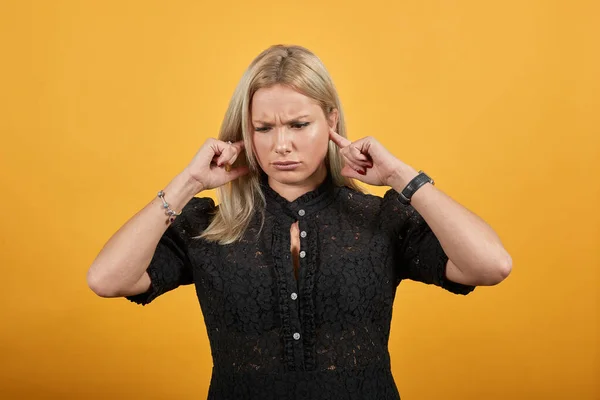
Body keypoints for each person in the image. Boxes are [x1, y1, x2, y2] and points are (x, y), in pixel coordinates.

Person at [87, 44, 512, 400]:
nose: (281, 145)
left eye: (298, 124)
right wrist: (188, 183)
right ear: (246, 132)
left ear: (331, 121)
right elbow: (107, 280)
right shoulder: (208, 224)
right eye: (264, 128)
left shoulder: (381, 218)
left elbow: (491, 265)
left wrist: (403, 178)